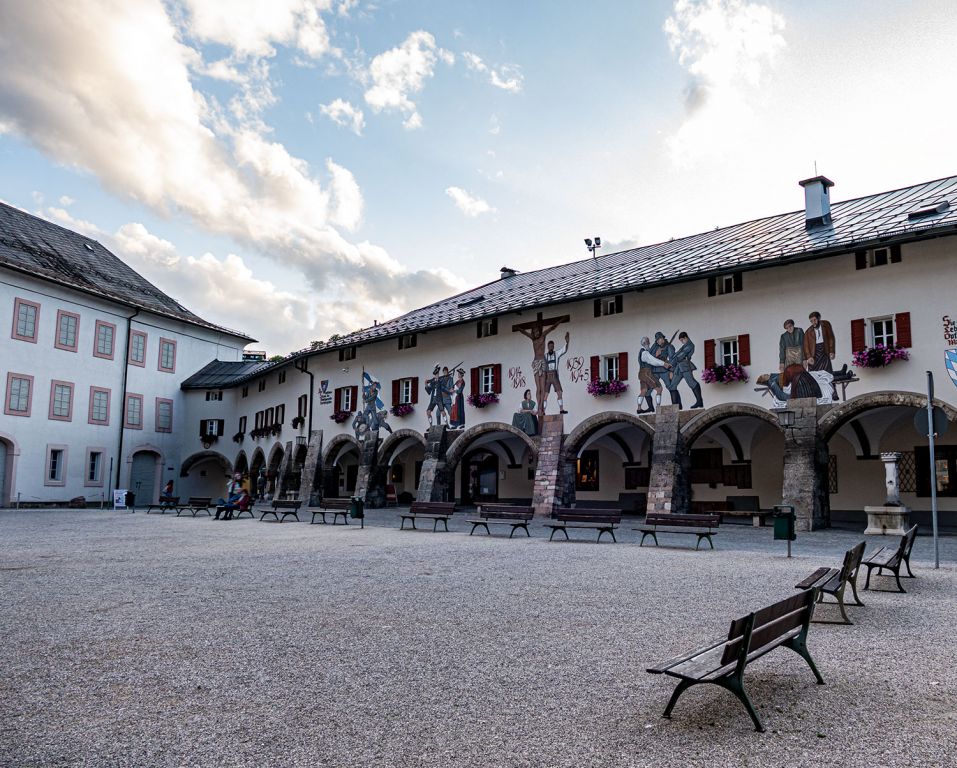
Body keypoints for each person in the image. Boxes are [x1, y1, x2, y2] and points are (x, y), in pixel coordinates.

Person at [802, 311, 837, 399]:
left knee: (828, 373)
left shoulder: (826, 325)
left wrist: (831, 351)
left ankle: (833, 393)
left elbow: (831, 338)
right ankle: (814, 394)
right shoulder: (808, 332)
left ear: (818, 318)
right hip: (814, 354)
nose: (813, 323)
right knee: (813, 375)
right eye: (811, 321)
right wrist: (809, 357)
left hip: (824, 351)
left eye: (814, 320)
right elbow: (805, 346)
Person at [667, 332, 704, 410]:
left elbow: (681, 356)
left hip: (685, 366)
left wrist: (672, 362)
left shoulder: (690, 345)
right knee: (672, 385)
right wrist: (669, 348)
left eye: (682, 340)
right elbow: (675, 355)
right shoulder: (683, 346)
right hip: (679, 368)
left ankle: (699, 401)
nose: (682, 341)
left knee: (692, 383)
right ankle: (676, 406)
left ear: (686, 337)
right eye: (681, 340)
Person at [541, 333, 570, 416]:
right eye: (550, 346)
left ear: (553, 347)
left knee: (559, 392)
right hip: (547, 376)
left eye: (552, 346)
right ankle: (543, 411)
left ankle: (561, 409)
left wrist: (567, 342)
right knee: (545, 395)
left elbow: (564, 349)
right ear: (548, 347)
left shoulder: (557, 354)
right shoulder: (544, 356)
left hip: (555, 375)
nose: (551, 347)